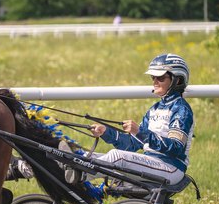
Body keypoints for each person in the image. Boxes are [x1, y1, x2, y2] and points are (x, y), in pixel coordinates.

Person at [79, 53, 194, 188]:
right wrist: (106, 132)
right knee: (89, 156)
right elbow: (132, 145)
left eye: (161, 77)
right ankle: (72, 167)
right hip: (153, 163)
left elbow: (175, 147)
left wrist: (140, 132)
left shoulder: (181, 109)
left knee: (118, 157)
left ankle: (79, 175)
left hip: (172, 167)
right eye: (153, 77)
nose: (155, 81)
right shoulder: (154, 110)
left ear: (177, 80)